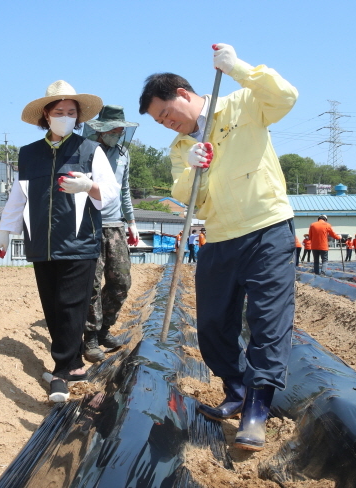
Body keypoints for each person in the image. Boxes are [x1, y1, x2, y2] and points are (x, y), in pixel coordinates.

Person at [139, 43, 298, 451]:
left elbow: (285, 97)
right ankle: (236, 388)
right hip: (221, 237)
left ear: (185, 95)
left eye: (166, 113)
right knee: (211, 325)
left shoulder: (243, 102)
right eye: (160, 122)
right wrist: (193, 170)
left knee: (267, 321)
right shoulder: (179, 150)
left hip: (267, 227)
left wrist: (240, 68)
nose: (167, 123)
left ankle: (258, 410)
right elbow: (195, 202)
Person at [0, 80, 120, 403]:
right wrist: (5, 231)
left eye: (71, 112)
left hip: (79, 243)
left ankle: (61, 372)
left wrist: (88, 186)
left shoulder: (90, 150)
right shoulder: (29, 154)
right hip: (41, 244)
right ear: (46, 116)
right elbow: (17, 198)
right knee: (52, 307)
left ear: (78, 118)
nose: (65, 116)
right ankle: (75, 364)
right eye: (59, 111)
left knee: (70, 305)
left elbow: (110, 193)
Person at [81, 105, 140, 362]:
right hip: (90, 224)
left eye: (120, 130)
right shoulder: (85, 151)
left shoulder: (123, 155)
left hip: (116, 225)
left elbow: (124, 189)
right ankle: (90, 339)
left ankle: (105, 329)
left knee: (121, 282)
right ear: (101, 130)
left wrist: (132, 222)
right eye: (113, 130)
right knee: (91, 285)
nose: (117, 134)